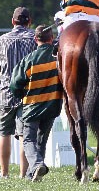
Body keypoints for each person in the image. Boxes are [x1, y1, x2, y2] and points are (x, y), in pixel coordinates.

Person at [9, 25, 63, 182]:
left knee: (28, 140)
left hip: (32, 107)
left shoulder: (29, 59)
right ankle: (33, 174)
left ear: (35, 39)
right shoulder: (58, 58)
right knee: (41, 141)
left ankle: (37, 164)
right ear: (51, 38)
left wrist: (22, 96)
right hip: (52, 106)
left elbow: (15, 84)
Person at [0, 6, 37, 178]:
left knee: (4, 133)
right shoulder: (33, 39)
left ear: (13, 21)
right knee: (24, 136)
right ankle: (23, 173)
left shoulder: (2, 40)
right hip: (26, 93)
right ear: (29, 22)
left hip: (5, 92)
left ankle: (4, 173)